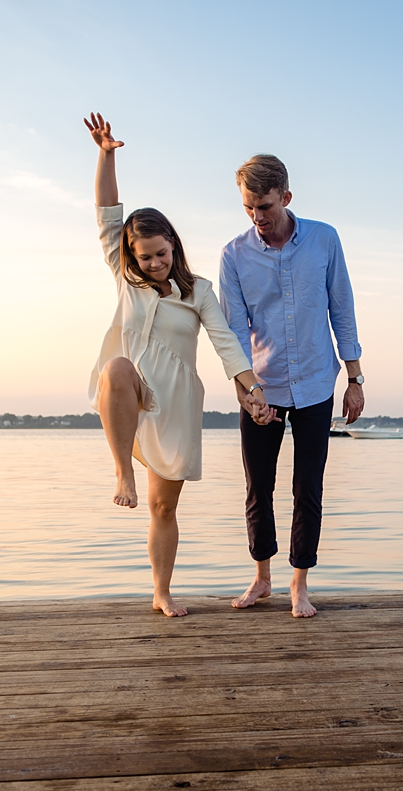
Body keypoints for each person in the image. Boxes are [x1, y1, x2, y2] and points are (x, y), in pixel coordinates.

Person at [84, 114, 277, 618]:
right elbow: (107, 213)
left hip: (173, 404)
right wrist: (107, 155)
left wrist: (251, 388)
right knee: (117, 369)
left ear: (174, 244)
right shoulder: (127, 280)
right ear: (131, 254)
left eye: (161, 253)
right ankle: (122, 471)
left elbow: (227, 343)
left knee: (163, 508)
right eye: (144, 257)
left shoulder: (199, 293)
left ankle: (161, 592)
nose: (154, 264)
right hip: (130, 394)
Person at [219, 154, 364, 618]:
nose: (258, 217)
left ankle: (299, 584)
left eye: (264, 206)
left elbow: (342, 309)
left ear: (286, 197)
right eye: (248, 208)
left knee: (309, 487)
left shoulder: (324, 239)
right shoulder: (234, 254)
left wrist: (355, 378)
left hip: (318, 383)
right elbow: (234, 332)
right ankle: (262, 579)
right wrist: (249, 391)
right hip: (262, 388)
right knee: (257, 486)